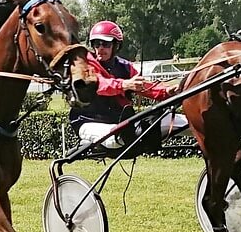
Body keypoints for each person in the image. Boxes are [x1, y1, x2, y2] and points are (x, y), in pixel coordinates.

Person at [69, 20, 188, 149]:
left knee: (183, 121)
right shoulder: (85, 65)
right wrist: (125, 85)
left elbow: (144, 86)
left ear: (116, 46)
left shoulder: (125, 67)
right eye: (97, 44)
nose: (101, 48)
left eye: (106, 44)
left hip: (123, 124)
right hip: (89, 122)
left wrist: (167, 91)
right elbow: (99, 85)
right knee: (119, 137)